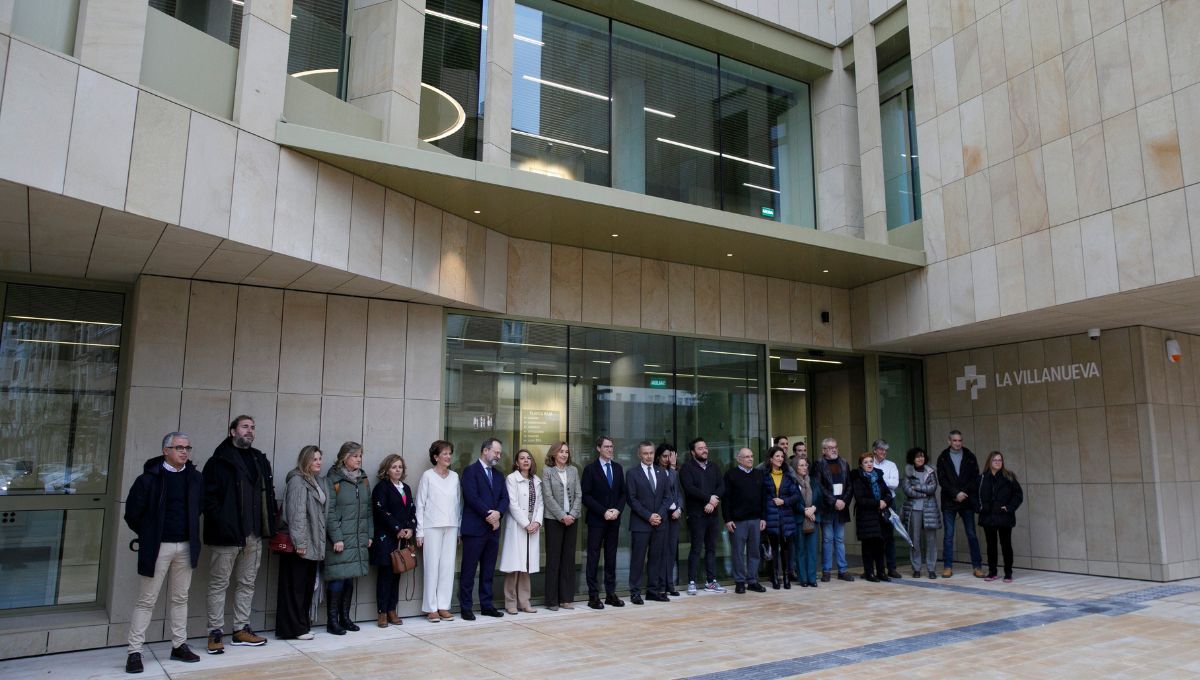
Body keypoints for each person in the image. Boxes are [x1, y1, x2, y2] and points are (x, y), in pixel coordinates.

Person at [123, 432, 203, 673]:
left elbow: (197, 508)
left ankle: (179, 645)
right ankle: (134, 652)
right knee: (147, 599)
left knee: (181, 598)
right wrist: (150, 534)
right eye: (179, 447)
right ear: (165, 450)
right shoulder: (149, 479)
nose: (184, 452)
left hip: (186, 546)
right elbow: (132, 514)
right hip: (158, 547)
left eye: (187, 447)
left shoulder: (195, 478)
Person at [203, 415, 276, 654]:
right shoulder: (218, 461)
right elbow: (208, 499)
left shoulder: (259, 459)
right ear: (232, 430)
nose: (250, 431)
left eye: (253, 427)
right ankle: (215, 632)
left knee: (247, 583)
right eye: (245, 427)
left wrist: (268, 524)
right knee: (219, 584)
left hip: (253, 533)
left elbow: (267, 494)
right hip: (226, 535)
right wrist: (223, 521)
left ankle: (240, 629)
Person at [276, 445, 327, 640]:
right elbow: (296, 515)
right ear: (305, 460)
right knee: (295, 586)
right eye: (314, 459)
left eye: (320, 459)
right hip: (301, 544)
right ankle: (293, 628)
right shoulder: (298, 481)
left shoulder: (314, 481)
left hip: (313, 543)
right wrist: (300, 543)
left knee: (305, 585)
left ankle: (302, 625)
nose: (318, 462)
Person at [323, 442, 372, 635]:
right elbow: (330, 512)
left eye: (360, 455)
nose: (359, 459)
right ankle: (332, 621)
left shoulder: (363, 478)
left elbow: (368, 510)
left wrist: (369, 534)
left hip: (358, 537)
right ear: (344, 457)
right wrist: (337, 537)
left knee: (349, 579)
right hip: (341, 538)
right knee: (337, 578)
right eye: (355, 456)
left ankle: (345, 617)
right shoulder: (333, 479)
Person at [459, 438, 509, 620]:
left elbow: (505, 498)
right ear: (485, 450)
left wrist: (499, 514)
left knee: (488, 570)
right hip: (475, 529)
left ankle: (486, 605)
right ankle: (466, 607)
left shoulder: (498, 474)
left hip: (493, 530)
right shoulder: (470, 471)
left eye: (499, 453)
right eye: (496, 452)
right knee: (469, 570)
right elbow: (471, 497)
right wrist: (489, 515)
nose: (498, 456)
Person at [415, 440, 461, 622]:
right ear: (435, 457)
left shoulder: (455, 477)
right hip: (431, 526)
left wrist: (458, 529)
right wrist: (419, 531)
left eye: (450, 453)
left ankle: (443, 606)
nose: (448, 456)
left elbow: (458, 504)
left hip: (451, 526)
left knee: (447, 568)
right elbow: (420, 504)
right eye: (444, 454)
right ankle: (431, 607)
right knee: (432, 567)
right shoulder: (427, 476)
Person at [369, 454, 416, 628]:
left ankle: (392, 610)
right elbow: (381, 511)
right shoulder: (381, 488)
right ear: (387, 469)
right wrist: (397, 528)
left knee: (397, 574)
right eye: (394, 467)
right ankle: (382, 612)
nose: (397, 470)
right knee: (385, 576)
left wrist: (410, 528)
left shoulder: (407, 488)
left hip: (403, 539)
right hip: (386, 539)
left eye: (400, 467)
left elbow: (412, 509)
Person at [581, 435, 626, 609]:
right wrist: (603, 511)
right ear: (598, 449)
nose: (610, 449)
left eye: (612, 447)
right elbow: (586, 495)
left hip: (614, 520)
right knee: (593, 557)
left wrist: (617, 510)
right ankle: (593, 596)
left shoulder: (617, 468)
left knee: (611, 557)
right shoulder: (590, 469)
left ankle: (610, 594)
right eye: (607, 447)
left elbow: (623, 493)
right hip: (596, 520)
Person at [679, 437, 725, 595]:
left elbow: (721, 486)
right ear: (693, 452)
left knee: (711, 548)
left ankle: (711, 581)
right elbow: (689, 488)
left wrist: (713, 501)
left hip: (712, 515)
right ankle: (692, 581)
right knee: (696, 548)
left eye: (705, 447)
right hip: (696, 515)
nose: (704, 450)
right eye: (700, 448)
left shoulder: (714, 467)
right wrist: (708, 499)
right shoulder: (687, 468)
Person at [500, 449, 543, 614]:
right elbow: (512, 504)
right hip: (518, 526)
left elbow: (540, 504)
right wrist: (526, 523)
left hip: (532, 527)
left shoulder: (536, 481)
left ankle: (524, 602)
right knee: (513, 565)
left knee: (526, 565)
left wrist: (537, 522)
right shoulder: (511, 479)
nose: (526, 461)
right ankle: (510, 603)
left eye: (528, 458)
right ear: (517, 463)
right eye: (522, 458)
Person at [627, 441, 670, 604]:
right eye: (645, 453)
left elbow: (667, 497)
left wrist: (658, 515)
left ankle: (653, 590)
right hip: (641, 524)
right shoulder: (632, 473)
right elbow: (632, 500)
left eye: (651, 453)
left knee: (656, 558)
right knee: (638, 559)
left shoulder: (661, 472)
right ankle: (635, 592)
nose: (648, 456)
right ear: (639, 455)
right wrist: (649, 516)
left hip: (659, 523)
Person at [936, 430, 983, 578]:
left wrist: (963, 493)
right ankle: (947, 566)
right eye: (954, 440)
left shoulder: (969, 456)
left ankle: (977, 566)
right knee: (948, 535)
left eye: (960, 440)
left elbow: (975, 477)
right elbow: (942, 480)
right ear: (949, 441)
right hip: (949, 501)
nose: (957, 443)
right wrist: (955, 494)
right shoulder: (943, 458)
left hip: (967, 501)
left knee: (971, 534)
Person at [541, 441, 581, 611]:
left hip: (572, 519)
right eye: (561, 451)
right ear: (554, 454)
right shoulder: (547, 471)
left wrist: (571, 514)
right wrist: (562, 516)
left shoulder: (573, 470)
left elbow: (579, 494)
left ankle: (566, 598)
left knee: (568, 559)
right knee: (554, 559)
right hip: (554, 520)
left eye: (566, 452)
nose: (564, 454)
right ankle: (552, 600)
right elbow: (547, 497)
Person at [723, 447, 766, 594]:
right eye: (747, 457)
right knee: (738, 552)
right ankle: (740, 581)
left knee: (754, 552)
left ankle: (753, 581)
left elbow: (764, 498)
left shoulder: (759, 474)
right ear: (739, 459)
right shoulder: (731, 475)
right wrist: (727, 519)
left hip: (755, 519)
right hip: (738, 521)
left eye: (752, 456)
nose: (750, 459)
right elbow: (726, 499)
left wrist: (763, 518)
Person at [812, 438, 854, 582]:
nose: (834, 449)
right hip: (827, 508)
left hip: (841, 507)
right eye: (830, 448)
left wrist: (843, 501)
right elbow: (818, 486)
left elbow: (849, 485)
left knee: (840, 539)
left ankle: (843, 570)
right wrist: (834, 501)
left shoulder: (843, 463)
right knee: (828, 539)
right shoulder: (818, 464)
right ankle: (826, 570)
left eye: (835, 447)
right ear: (823, 450)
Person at [978, 451, 1024, 583]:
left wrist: (1009, 508)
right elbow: (974, 495)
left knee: (1006, 545)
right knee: (991, 546)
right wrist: (980, 508)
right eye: (995, 460)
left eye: (1000, 460)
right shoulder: (982, 478)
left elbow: (1018, 495)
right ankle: (992, 572)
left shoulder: (1009, 477)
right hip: (988, 517)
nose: (998, 462)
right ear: (989, 462)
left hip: (1004, 516)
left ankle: (1008, 573)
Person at [848, 452, 894, 582]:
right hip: (866, 517)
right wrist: (877, 502)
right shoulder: (858, 477)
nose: (869, 464)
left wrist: (885, 501)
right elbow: (860, 499)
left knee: (880, 545)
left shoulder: (878, 476)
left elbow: (887, 493)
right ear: (861, 465)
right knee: (868, 546)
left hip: (880, 516)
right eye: (866, 462)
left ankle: (881, 572)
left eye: (871, 462)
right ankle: (869, 572)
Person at [759, 446, 800, 589]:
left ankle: (787, 577)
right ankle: (775, 577)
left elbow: (796, 496)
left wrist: (784, 501)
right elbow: (762, 499)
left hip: (786, 517)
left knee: (786, 549)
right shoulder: (764, 477)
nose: (780, 459)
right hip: (771, 516)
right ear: (771, 459)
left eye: (782, 457)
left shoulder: (788, 476)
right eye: (777, 456)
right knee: (773, 549)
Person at [901, 447, 940, 579]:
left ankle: (931, 568)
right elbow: (907, 490)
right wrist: (924, 492)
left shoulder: (930, 471)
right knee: (915, 540)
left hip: (929, 508)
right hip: (914, 509)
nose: (920, 458)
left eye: (922, 456)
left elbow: (933, 488)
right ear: (913, 459)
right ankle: (916, 568)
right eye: (917, 456)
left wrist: (917, 487)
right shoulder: (908, 472)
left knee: (931, 540)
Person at [871, 439, 903, 579]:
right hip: (872, 503)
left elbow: (895, 484)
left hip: (889, 502)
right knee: (874, 537)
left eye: (885, 450)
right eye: (881, 449)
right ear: (875, 450)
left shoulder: (891, 465)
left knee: (889, 536)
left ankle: (891, 567)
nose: (883, 452)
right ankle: (875, 568)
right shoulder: (868, 463)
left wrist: (878, 480)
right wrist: (884, 481)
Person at [656, 444, 683, 596]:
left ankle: (669, 583)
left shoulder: (672, 472)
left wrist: (679, 509)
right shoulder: (657, 471)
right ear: (658, 457)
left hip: (674, 515)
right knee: (661, 552)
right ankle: (661, 585)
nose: (667, 459)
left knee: (672, 551)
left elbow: (678, 493)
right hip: (662, 515)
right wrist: (672, 467)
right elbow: (665, 490)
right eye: (664, 456)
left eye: (669, 456)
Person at [791, 454, 821, 588]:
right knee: (800, 550)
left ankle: (812, 578)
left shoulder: (813, 481)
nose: (805, 467)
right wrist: (804, 511)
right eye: (801, 465)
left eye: (806, 465)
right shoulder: (792, 481)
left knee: (812, 551)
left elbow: (820, 497)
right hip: (799, 519)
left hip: (813, 518)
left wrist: (814, 508)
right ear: (795, 467)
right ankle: (803, 578)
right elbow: (793, 500)